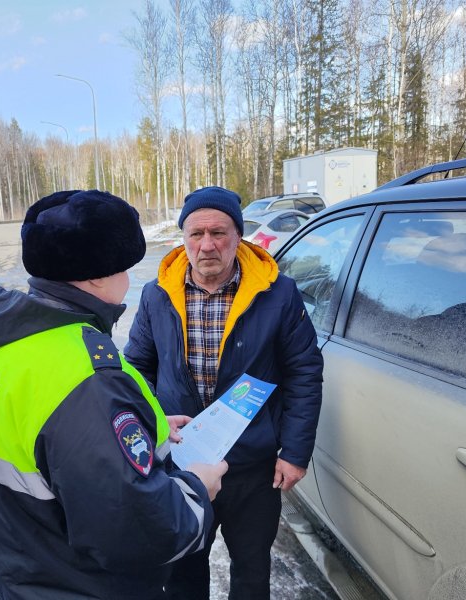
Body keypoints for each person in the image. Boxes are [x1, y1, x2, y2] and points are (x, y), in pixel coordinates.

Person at [0, 189, 228, 600]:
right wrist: (198, 489)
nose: (129, 279)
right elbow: (138, 530)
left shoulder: (12, 339)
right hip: (83, 584)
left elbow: (52, 437)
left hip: (30, 565)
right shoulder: (86, 377)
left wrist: (149, 425)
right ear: (98, 277)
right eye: (125, 268)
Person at [124, 186, 324, 599]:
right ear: (184, 238)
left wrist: (294, 452)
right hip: (182, 463)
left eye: (219, 232)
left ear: (239, 235)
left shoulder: (277, 294)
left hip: (253, 466)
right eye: (196, 234)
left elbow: (303, 371)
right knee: (182, 571)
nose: (207, 244)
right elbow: (137, 369)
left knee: (252, 571)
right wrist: (152, 430)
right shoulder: (157, 295)